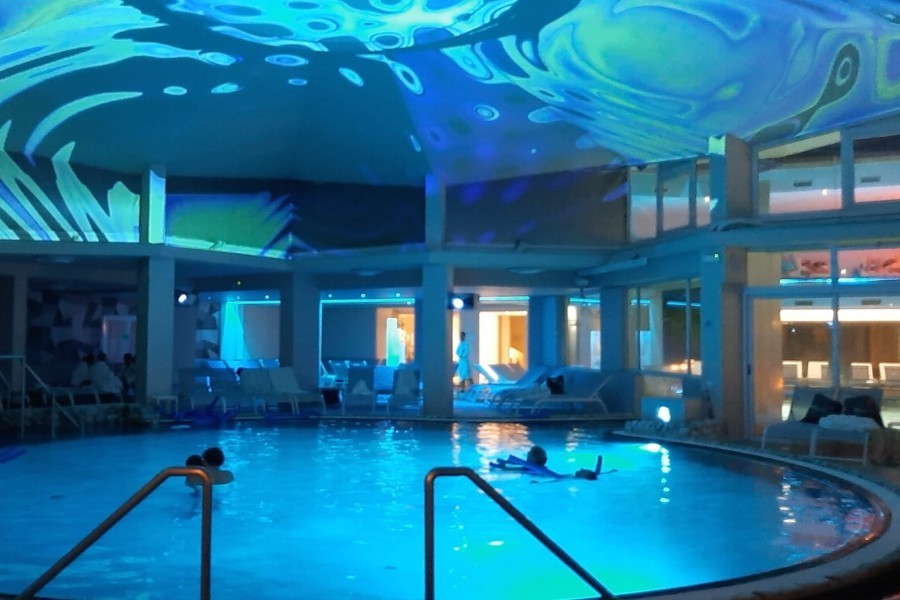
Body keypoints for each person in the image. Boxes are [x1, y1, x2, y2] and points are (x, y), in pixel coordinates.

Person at [490, 445, 611, 480]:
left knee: (521, 469)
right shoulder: (538, 468)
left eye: (529, 454)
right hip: (539, 472)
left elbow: (518, 470)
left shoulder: (536, 469)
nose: (582, 468)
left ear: (532, 460)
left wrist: (504, 468)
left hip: (539, 475)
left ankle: (502, 466)